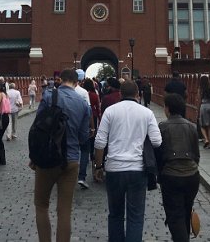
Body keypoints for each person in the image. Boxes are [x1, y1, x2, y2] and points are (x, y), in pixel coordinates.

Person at [94, 80, 162, 242]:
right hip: (138, 170)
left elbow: (99, 142)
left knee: (115, 214)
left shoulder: (110, 111)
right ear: (138, 94)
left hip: (114, 169)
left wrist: (98, 166)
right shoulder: (146, 113)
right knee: (136, 217)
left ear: (120, 95)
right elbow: (157, 141)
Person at [31, 68, 90, 242]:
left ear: (60, 80)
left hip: (48, 159)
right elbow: (83, 137)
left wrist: (34, 157)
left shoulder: (49, 97)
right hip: (71, 161)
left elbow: (37, 128)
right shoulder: (82, 103)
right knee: (64, 210)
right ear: (76, 82)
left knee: (41, 205)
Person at [158, 94, 201, 241]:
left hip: (171, 176)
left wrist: (160, 174)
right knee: (186, 210)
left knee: (175, 216)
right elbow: (196, 155)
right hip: (192, 176)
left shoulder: (163, 127)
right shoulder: (191, 127)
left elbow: (159, 154)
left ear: (168, 109)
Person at [74, 69, 93, 190]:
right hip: (83, 126)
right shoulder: (83, 92)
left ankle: (67, 176)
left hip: (68, 126)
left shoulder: (61, 92)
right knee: (85, 150)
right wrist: (92, 127)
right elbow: (89, 110)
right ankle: (81, 177)